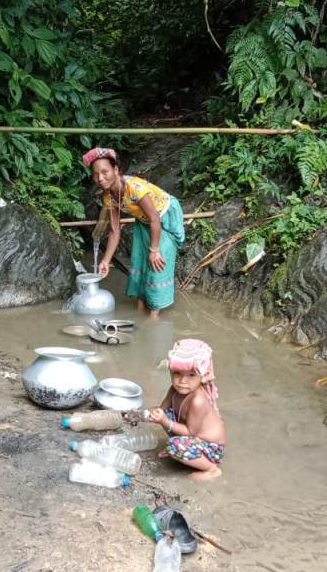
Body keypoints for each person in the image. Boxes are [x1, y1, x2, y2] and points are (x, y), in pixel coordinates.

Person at [83, 147, 185, 319]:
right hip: (144, 221)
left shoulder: (135, 188)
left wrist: (154, 250)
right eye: (95, 174)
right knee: (138, 261)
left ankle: (153, 317)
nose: (100, 178)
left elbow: (155, 218)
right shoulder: (108, 197)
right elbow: (115, 231)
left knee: (156, 263)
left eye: (105, 172)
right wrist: (106, 261)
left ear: (116, 170)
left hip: (163, 217)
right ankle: (139, 310)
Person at [146, 339, 226, 480]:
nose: (182, 381)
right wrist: (152, 413)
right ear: (170, 372)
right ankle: (185, 452)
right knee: (166, 414)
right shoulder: (174, 389)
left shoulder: (198, 401)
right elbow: (162, 409)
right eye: (177, 373)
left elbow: (191, 433)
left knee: (173, 445)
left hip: (211, 447)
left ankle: (211, 469)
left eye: (191, 375)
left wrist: (164, 421)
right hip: (192, 437)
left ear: (202, 376)